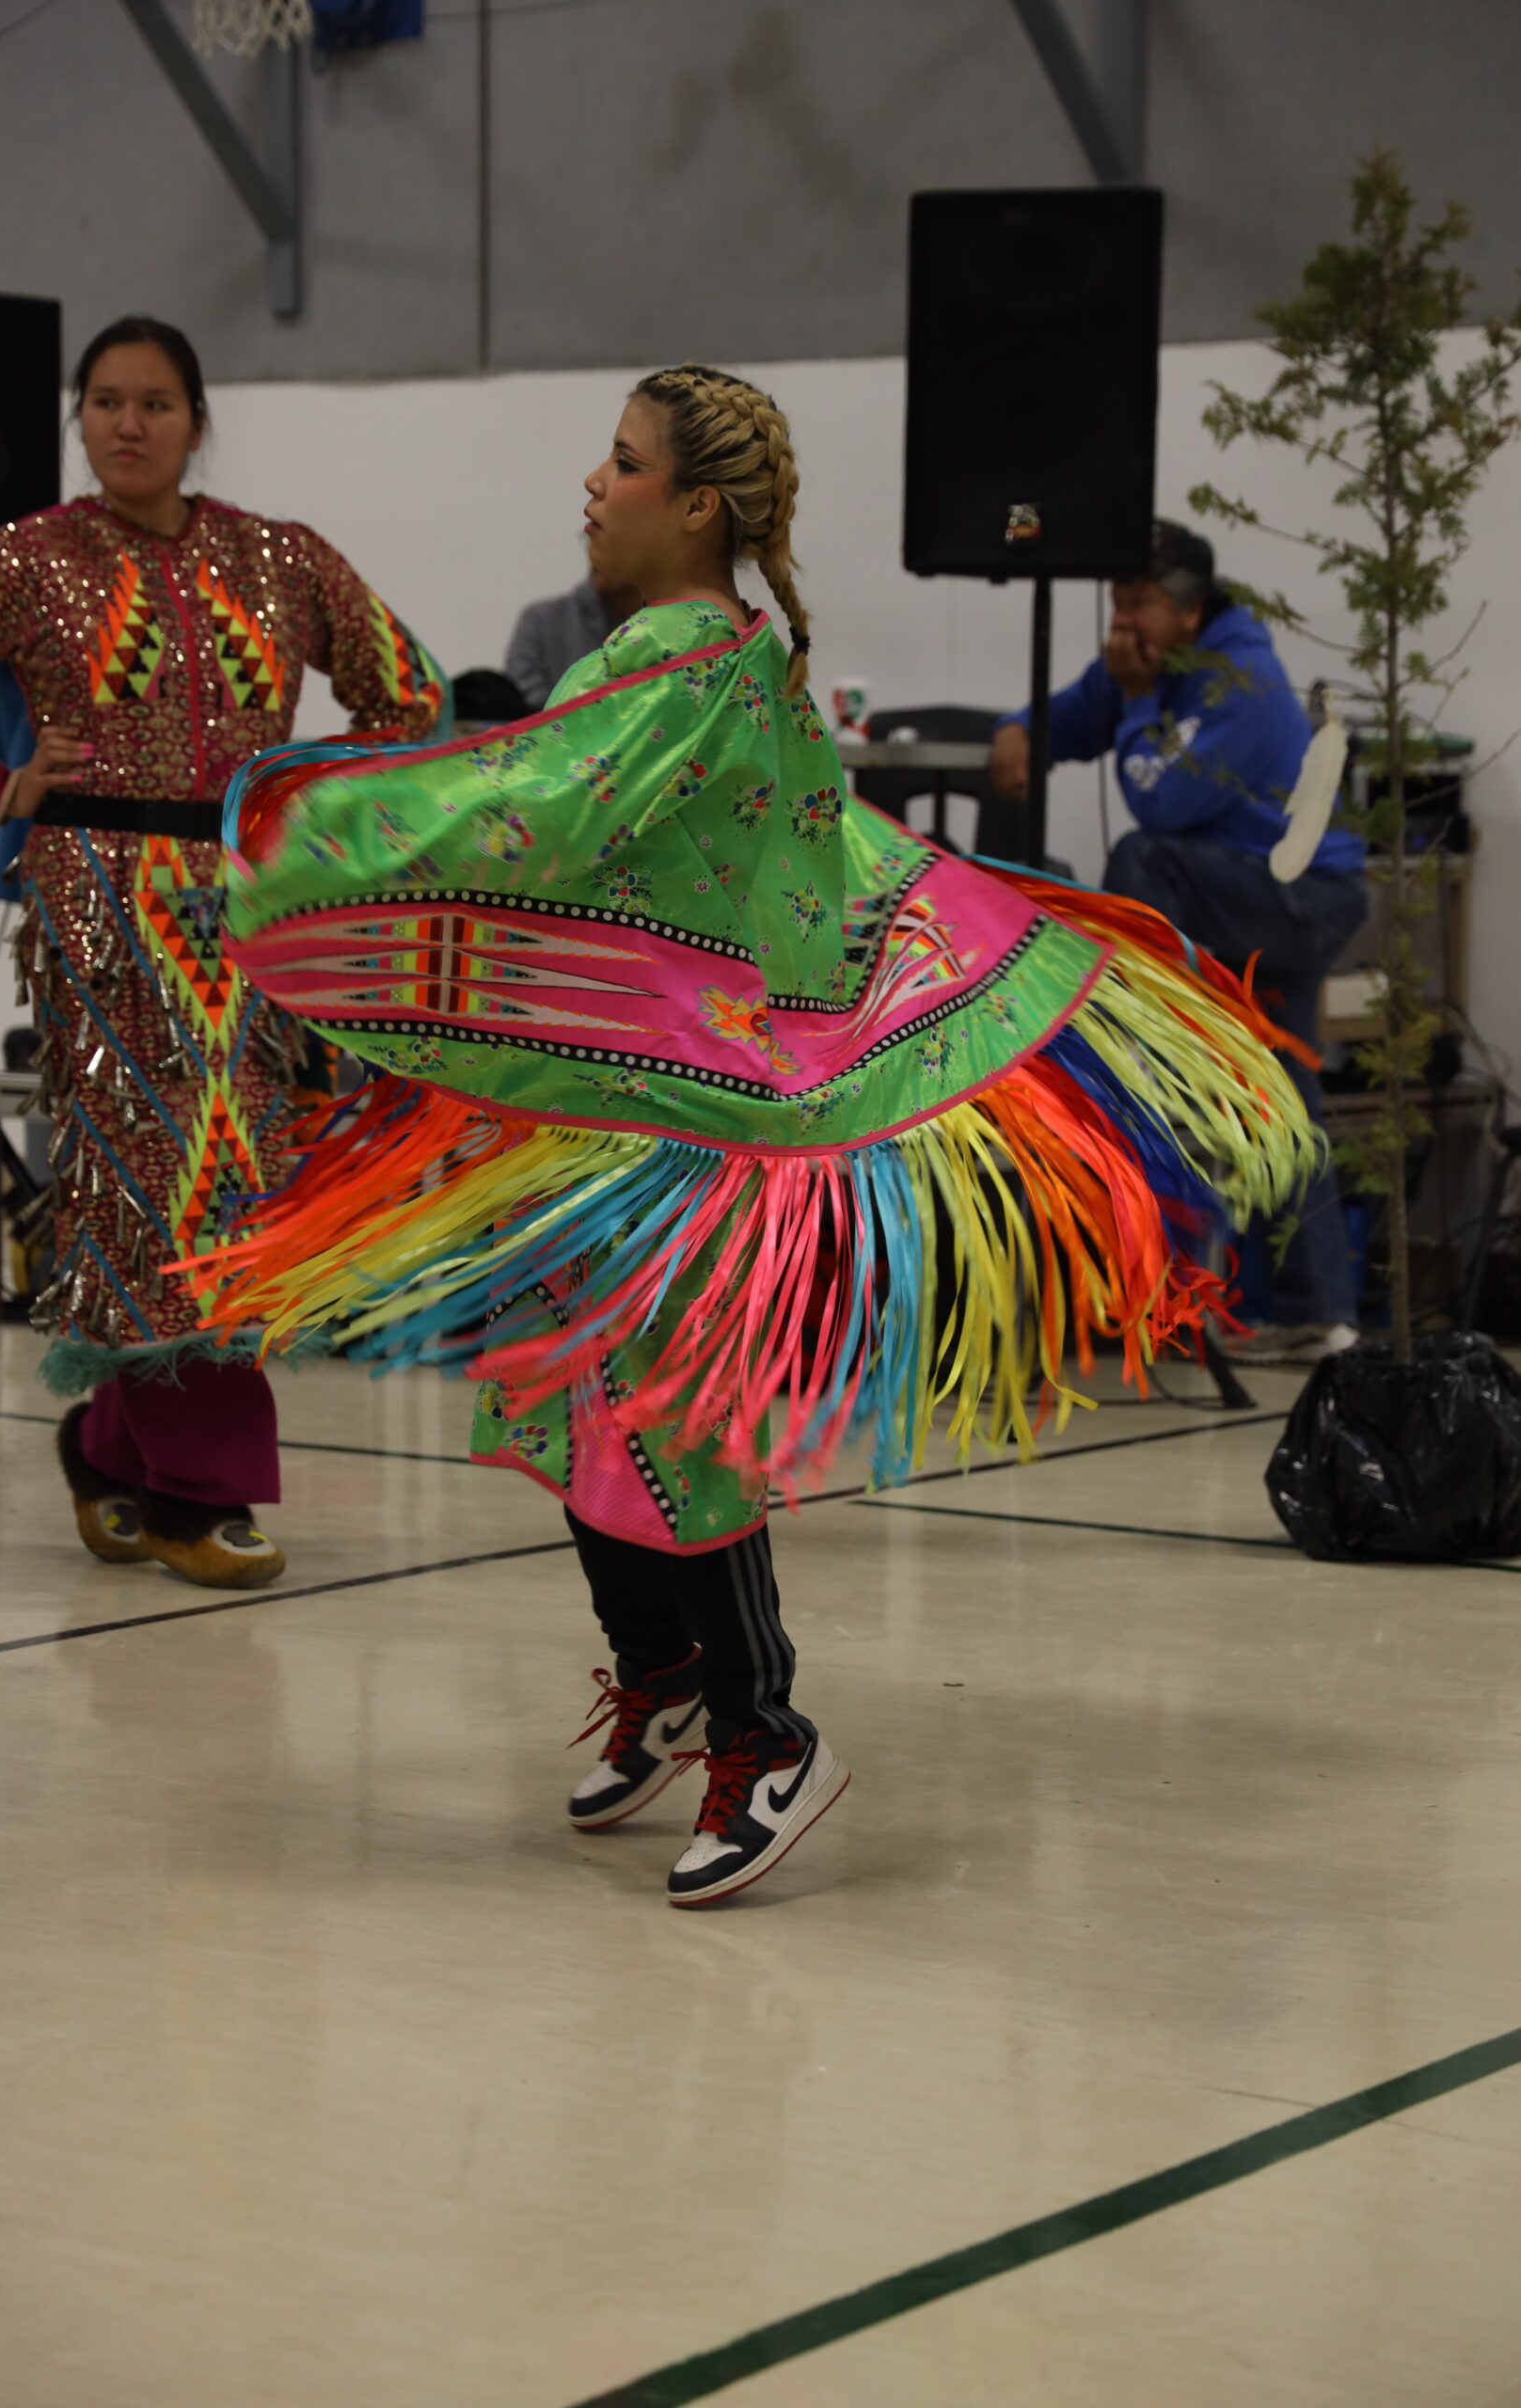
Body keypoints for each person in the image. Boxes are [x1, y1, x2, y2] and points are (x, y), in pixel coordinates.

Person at [195, 368, 1316, 1907]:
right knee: (563, 1380)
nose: (594, 484)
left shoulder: (687, 664)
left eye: (626, 461)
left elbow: (533, 804)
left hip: (707, 1117)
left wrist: (318, 829)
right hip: (634, 1104)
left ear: (698, 504)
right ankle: (658, 1678)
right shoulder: (711, 655)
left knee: (665, 1425)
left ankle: (763, 1735)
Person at [0, 314, 447, 1589]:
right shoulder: (26, 562)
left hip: (242, 909)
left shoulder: (277, 559)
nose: (128, 424)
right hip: (95, 902)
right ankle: (195, 1491)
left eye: (155, 402)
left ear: (196, 422)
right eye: (104, 401)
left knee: (234, 1177)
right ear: (79, 419)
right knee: (144, 1182)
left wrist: (309, 801)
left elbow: (409, 692)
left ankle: (109, 1441)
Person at [990, 519, 1369, 1362]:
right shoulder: (1149, 664)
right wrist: (1019, 727)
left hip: (1303, 902)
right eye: (1118, 601)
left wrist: (1129, 703)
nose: (1122, 622)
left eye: (1142, 604)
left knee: (1138, 859)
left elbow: (1159, 801)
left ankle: (1139, 1030)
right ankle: (1318, 1313)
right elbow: (1070, 716)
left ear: (1190, 615)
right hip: (1247, 897)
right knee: (1282, 1093)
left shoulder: (1240, 678)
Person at [502, 559, 640, 711]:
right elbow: (519, 695)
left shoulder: (664, 629)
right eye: (592, 540)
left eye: (617, 543)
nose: (600, 556)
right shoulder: (541, 619)